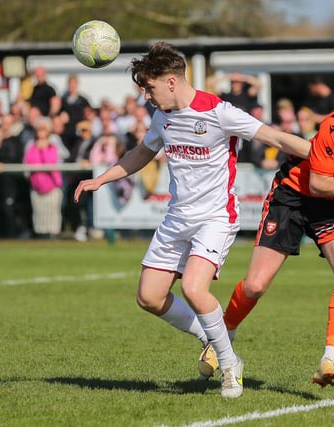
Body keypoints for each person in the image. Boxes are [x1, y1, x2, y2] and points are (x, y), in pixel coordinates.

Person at [73, 42, 310, 399]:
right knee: (149, 297)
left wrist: (327, 157)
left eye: (149, 88)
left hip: (215, 217)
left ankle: (230, 366)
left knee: (193, 289)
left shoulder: (219, 111)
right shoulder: (161, 116)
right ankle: (211, 336)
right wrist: (101, 179)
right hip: (177, 218)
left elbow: (274, 136)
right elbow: (143, 152)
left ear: (171, 82)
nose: (146, 97)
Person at [219, 46, 334, 388]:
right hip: (292, 197)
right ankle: (222, 336)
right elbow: (319, 185)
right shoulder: (333, 126)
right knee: (256, 285)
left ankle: (328, 361)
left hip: (333, 206)